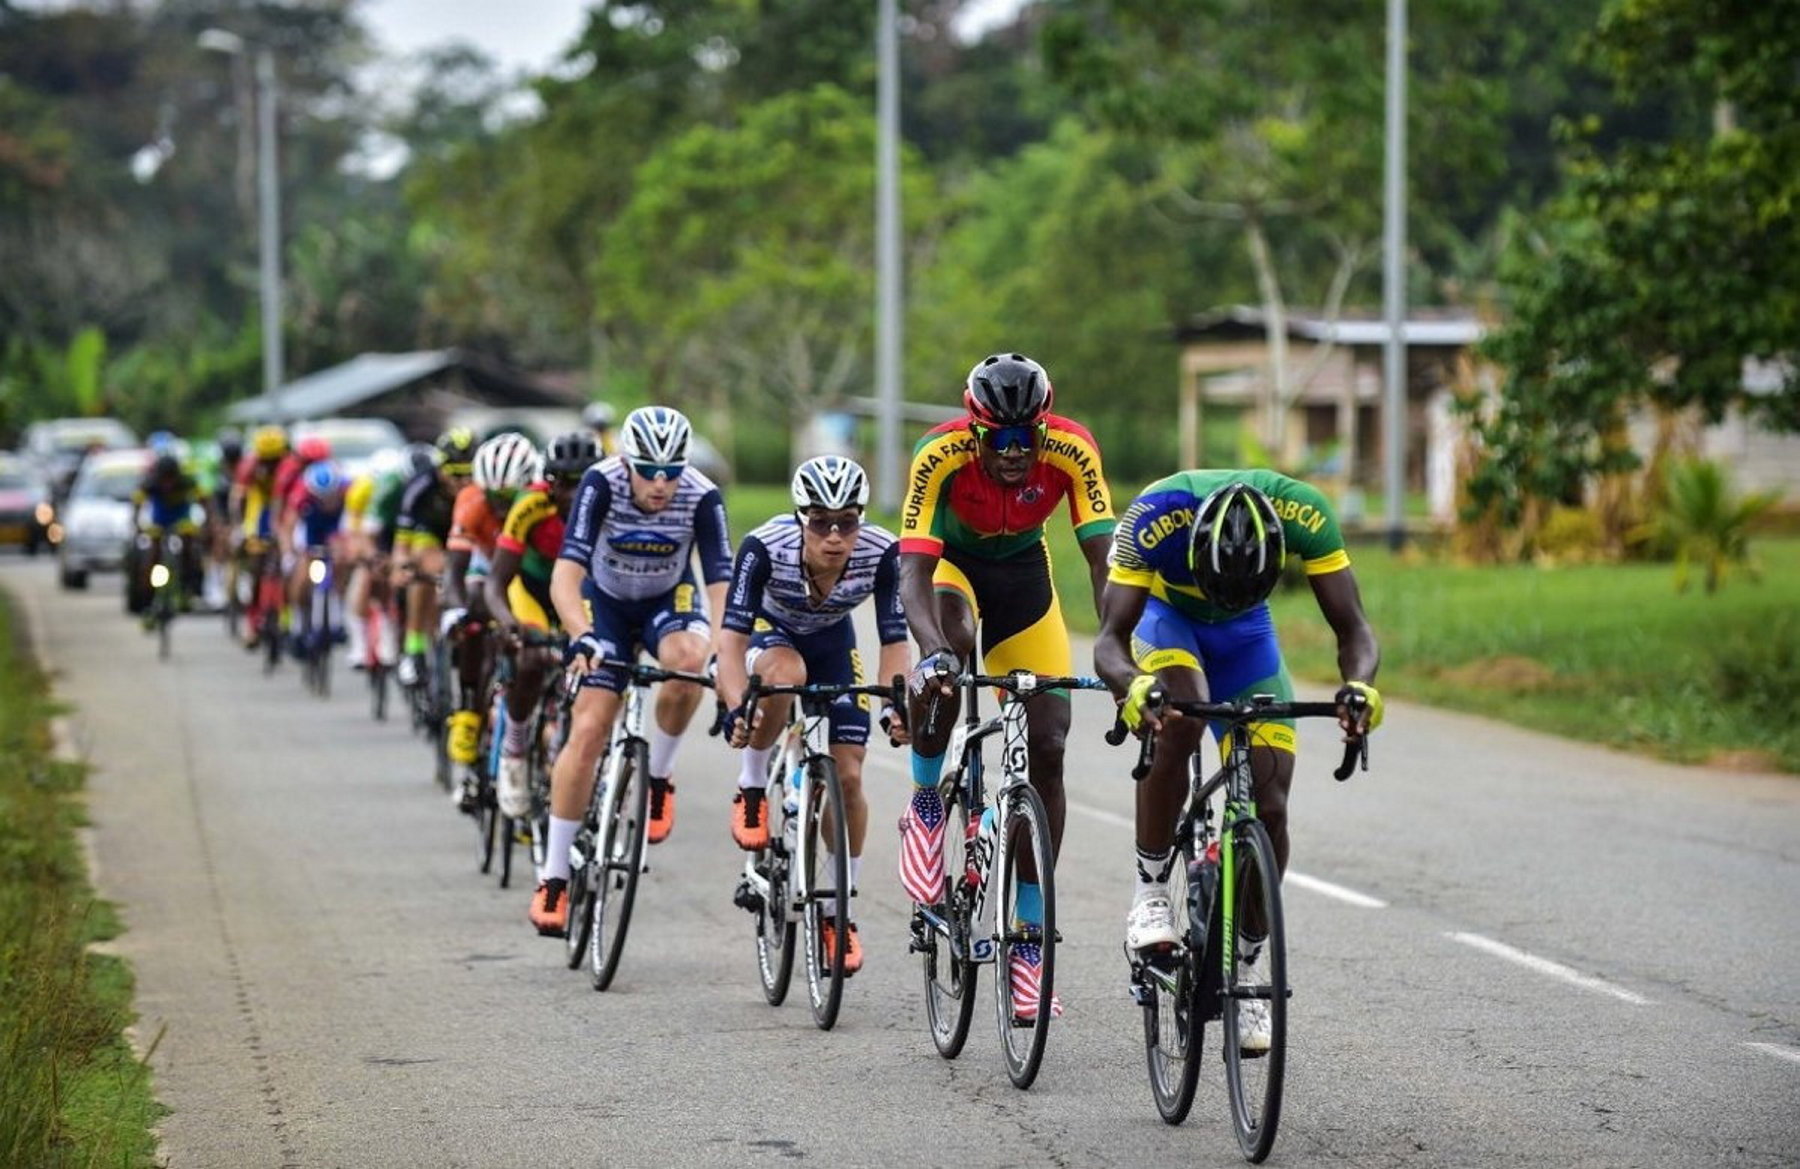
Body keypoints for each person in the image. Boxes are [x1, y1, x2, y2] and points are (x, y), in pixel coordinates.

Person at [1093, 473, 1381, 1053]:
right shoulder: (1155, 515)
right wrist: (1134, 688)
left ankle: (1247, 965)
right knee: (1182, 717)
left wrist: (1358, 689)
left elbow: (1353, 629)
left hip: (1248, 636)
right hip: (1167, 621)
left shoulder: (1306, 513)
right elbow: (1108, 642)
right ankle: (1150, 889)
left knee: (1271, 804)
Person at [896, 352, 1117, 1021]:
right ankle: (929, 800)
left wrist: (1116, 648)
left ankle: (1028, 939)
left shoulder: (1073, 451)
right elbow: (910, 576)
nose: (1017, 453)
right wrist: (932, 654)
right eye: (1002, 440)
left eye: (1029, 438)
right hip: (952, 572)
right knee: (952, 646)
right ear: (976, 429)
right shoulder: (939, 453)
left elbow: (1105, 562)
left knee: (1049, 743)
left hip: (1025, 579)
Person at [530, 406, 730, 935]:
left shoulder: (701, 494)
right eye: (649, 470)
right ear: (628, 461)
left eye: (672, 471)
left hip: (669, 596)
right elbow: (565, 579)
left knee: (689, 662)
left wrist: (724, 657)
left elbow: (720, 588)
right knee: (591, 725)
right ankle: (554, 875)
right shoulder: (601, 483)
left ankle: (659, 777)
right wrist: (582, 636)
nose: (661, 483)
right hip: (607, 603)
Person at [716, 456, 912, 975]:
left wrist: (897, 703)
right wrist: (737, 703)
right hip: (771, 633)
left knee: (848, 775)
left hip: (832, 641)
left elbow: (895, 643)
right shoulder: (764, 547)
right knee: (787, 672)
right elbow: (730, 643)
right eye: (821, 522)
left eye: (846, 522)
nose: (834, 536)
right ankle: (753, 784)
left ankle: (836, 912)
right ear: (801, 518)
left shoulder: (882, 551)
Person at [486, 431, 598, 818]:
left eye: (584, 482)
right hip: (530, 591)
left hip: (578, 594)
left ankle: (564, 747)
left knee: (590, 669)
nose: (574, 493)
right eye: (565, 483)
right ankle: (514, 749)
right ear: (549, 483)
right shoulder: (530, 506)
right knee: (531, 661)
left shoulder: (609, 508)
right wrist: (508, 624)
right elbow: (497, 580)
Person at [440, 432, 544, 811]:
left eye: (509, 498)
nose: (501, 508)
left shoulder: (539, 502)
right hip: (487, 568)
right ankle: (469, 709)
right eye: (494, 499)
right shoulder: (471, 501)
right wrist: (455, 611)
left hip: (528, 570)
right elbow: (454, 570)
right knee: (474, 614)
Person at [392, 428, 478, 688]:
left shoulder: (482, 491)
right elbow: (402, 543)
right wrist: (401, 568)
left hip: (466, 537)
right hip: (430, 535)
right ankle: (414, 648)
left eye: (468, 474)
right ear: (440, 469)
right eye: (454, 474)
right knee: (423, 568)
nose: (461, 482)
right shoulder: (421, 487)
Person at [130, 452, 204, 617]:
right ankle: (148, 598)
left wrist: (207, 525)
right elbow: (137, 505)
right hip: (159, 521)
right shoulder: (150, 484)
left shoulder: (187, 482)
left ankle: (188, 587)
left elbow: (205, 500)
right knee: (152, 555)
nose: (168, 483)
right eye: (164, 478)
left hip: (181, 520)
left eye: (171, 478)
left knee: (190, 547)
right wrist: (137, 527)